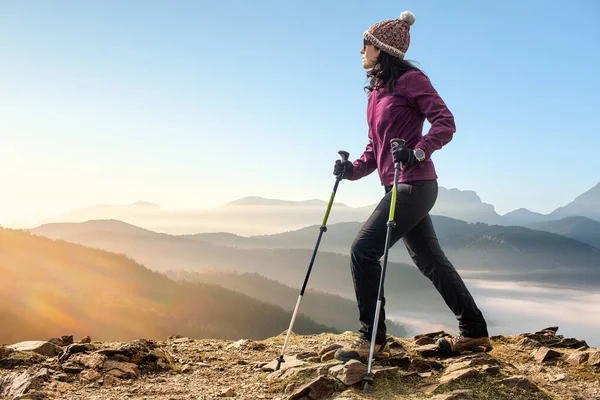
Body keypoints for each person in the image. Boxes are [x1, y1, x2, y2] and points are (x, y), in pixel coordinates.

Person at [333, 10, 492, 363]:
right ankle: (475, 332)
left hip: (415, 185)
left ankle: (372, 339)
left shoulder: (412, 80)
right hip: (397, 186)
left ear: (381, 48)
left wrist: (418, 151)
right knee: (430, 260)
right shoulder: (376, 91)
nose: (360, 51)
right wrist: (351, 170)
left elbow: (445, 123)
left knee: (363, 250)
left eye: (365, 45)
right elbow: (376, 148)